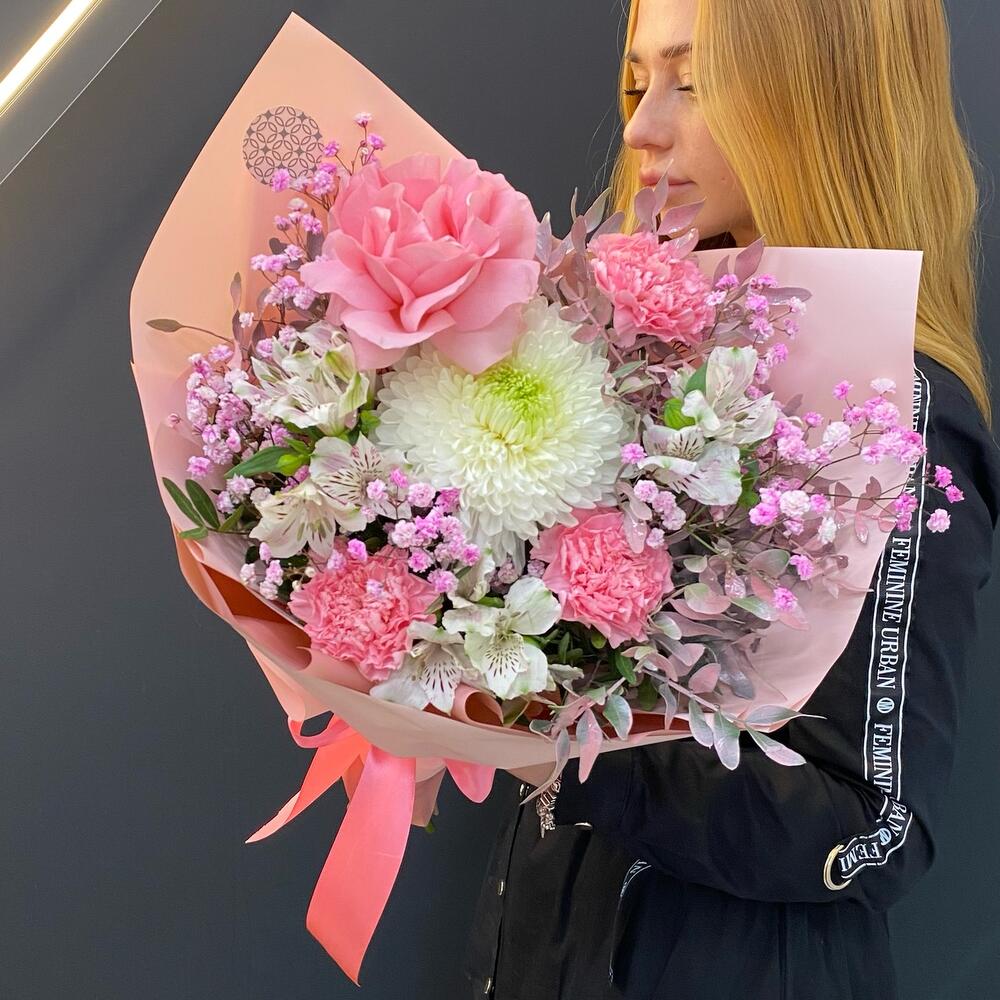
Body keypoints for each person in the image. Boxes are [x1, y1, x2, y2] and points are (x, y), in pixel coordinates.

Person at [461, 0, 1000, 997]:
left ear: (820, 97)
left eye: (693, 81)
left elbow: (875, 829)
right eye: (636, 81)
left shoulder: (894, 416)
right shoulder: (620, 365)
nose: (640, 127)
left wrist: (553, 722)